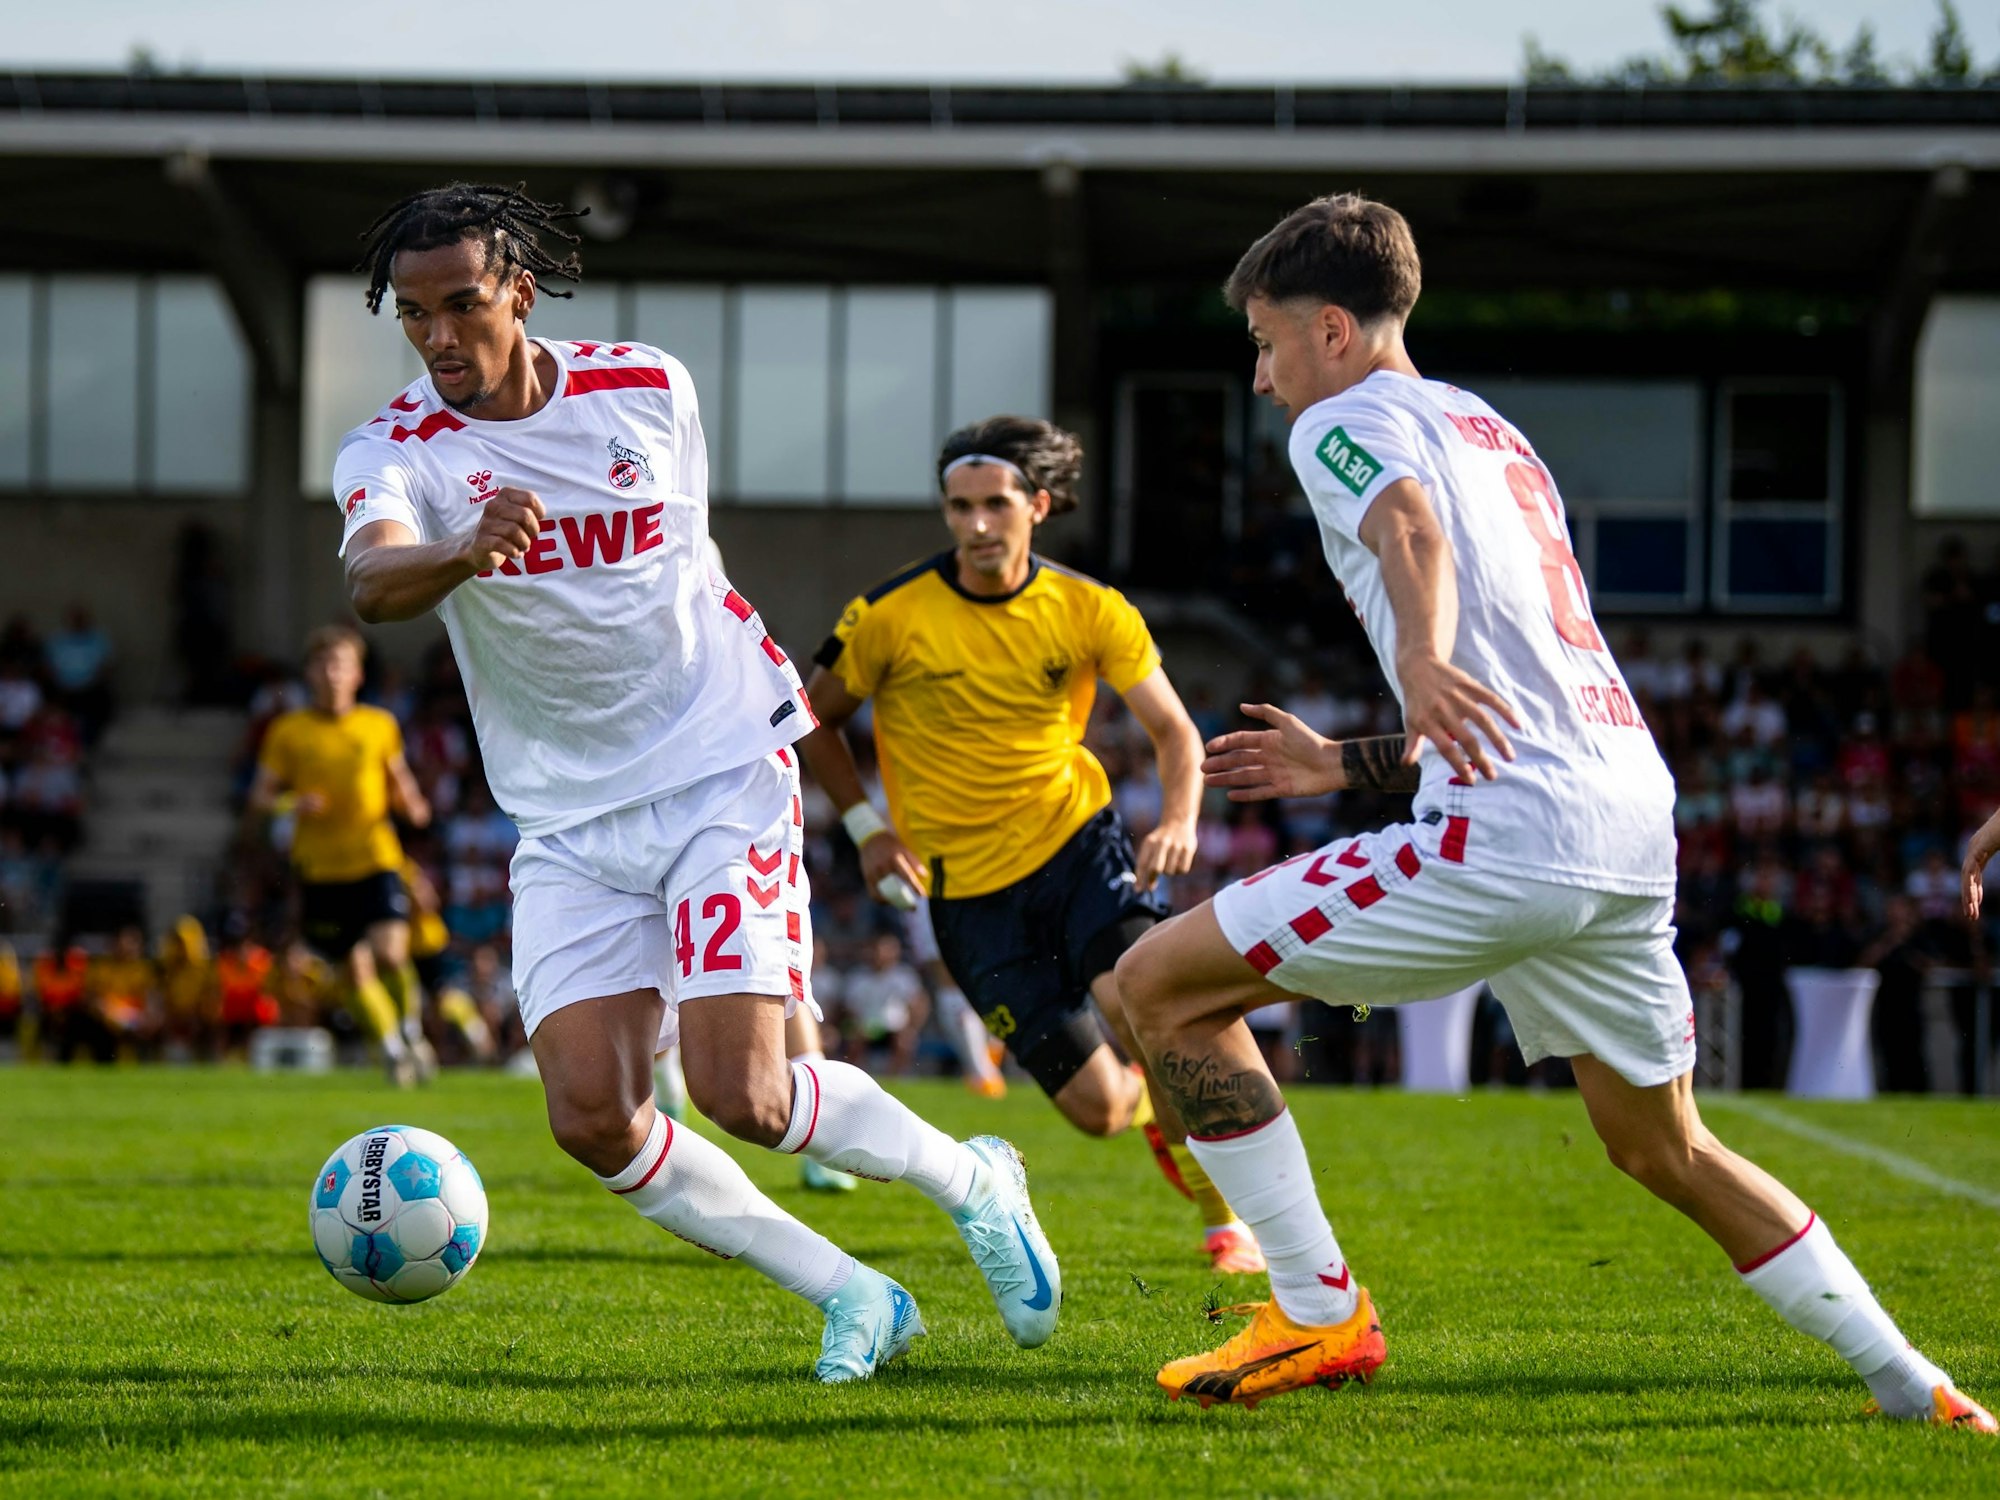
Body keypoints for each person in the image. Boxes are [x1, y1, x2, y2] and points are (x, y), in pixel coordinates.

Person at [1117, 192, 1995, 1430]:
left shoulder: (1343, 419)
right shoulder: (1489, 427)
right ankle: (1912, 1384)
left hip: (1507, 837)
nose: (1259, 381)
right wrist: (1356, 758)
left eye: (1261, 345)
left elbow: (1405, 532)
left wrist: (1415, 665)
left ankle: (1317, 1315)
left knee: (1156, 986)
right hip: (1626, 820)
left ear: (1328, 329)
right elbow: (1513, 671)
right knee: (1663, 1149)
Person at [332, 180, 1059, 1382]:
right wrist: (461, 551)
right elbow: (371, 580)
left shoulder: (650, 389)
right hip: (565, 816)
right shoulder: (394, 451)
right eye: (413, 316)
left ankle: (972, 1176)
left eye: (463, 305)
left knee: (744, 1091)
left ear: (519, 291)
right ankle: (852, 1294)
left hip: (716, 766)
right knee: (592, 1119)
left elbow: (674, 584)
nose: (440, 338)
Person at [798, 416, 1266, 1276]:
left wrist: (1179, 818)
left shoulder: (1089, 607)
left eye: (995, 504)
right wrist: (866, 830)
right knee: (1097, 1108)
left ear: (1038, 506)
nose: (976, 524)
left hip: (1076, 843)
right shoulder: (890, 614)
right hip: (970, 896)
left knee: (1140, 1004)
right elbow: (812, 718)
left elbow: (1172, 730)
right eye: (958, 507)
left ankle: (1224, 1220)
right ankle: (1153, 1112)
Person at [248, 626, 433, 1084]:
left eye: (342, 665)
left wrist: (413, 803)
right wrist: (293, 803)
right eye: (324, 664)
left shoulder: (379, 725)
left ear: (357, 674)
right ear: (310, 672)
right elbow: (260, 798)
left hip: (375, 858)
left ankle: (411, 1031)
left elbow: (397, 777)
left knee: (391, 954)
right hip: (321, 870)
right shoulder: (289, 730)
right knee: (352, 966)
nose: (333, 674)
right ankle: (390, 1049)